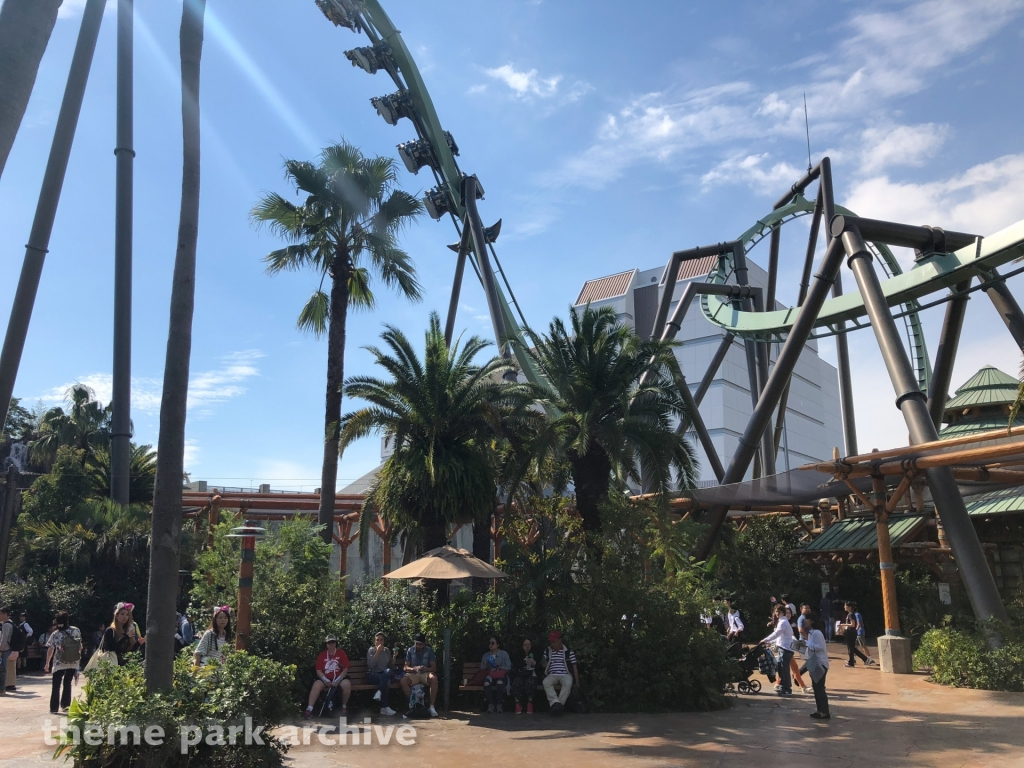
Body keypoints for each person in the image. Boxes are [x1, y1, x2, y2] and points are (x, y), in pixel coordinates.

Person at [304, 635, 351, 719]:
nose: (331, 644)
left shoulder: (341, 653)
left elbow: (345, 668)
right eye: (329, 642)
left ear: (336, 643)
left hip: (338, 678)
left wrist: (337, 680)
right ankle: (309, 709)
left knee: (346, 684)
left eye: (333, 642)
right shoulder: (322, 655)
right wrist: (325, 680)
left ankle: (344, 707)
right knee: (316, 684)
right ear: (326, 644)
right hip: (325, 679)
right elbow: (318, 670)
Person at [44, 611, 82, 714]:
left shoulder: (55, 634)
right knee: (67, 682)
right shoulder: (76, 630)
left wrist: (47, 663)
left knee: (56, 685)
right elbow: (79, 647)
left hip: (59, 662)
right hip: (72, 661)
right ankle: (65, 705)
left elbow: (51, 648)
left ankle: (54, 708)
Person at [795, 615, 830, 719]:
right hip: (815, 663)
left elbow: (820, 647)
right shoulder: (811, 633)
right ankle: (820, 711)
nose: (805, 621)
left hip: (820, 664)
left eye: (808, 619)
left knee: (819, 689)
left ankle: (825, 712)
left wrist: (807, 644)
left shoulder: (816, 633)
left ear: (813, 621)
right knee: (816, 688)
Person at [401, 633, 438, 718]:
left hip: (425, 673)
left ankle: (432, 706)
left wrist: (426, 669)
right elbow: (405, 667)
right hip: (413, 673)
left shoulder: (429, 651)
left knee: (434, 678)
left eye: (420, 644)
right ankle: (413, 704)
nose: (418, 646)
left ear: (424, 644)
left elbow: (434, 668)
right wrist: (412, 669)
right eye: (417, 643)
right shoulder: (410, 650)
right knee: (403, 681)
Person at [762, 604, 795, 696]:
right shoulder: (782, 621)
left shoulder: (783, 622)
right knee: (781, 667)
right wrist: (769, 641)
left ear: (782, 612)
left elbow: (776, 634)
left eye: (778, 612)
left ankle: (787, 688)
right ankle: (783, 686)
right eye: (776, 611)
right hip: (783, 647)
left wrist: (765, 640)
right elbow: (778, 636)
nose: (777, 613)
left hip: (786, 648)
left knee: (784, 669)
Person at [542, 631, 577, 713]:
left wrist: (577, 682)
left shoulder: (568, 651)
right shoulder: (547, 651)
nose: (552, 644)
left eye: (553, 641)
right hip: (552, 674)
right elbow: (544, 663)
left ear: (559, 640)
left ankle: (558, 706)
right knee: (546, 682)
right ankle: (556, 703)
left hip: (565, 674)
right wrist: (543, 662)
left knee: (568, 682)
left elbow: (574, 666)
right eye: (550, 642)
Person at [366, 632, 396, 716]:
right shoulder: (371, 650)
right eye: (377, 640)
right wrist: (378, 652)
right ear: (375, 641)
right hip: (373, 674)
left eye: (381, 640)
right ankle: (385, 707)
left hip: (384, 674)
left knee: (388, 671)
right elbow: (371, 665)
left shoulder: (387, 651)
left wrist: (394, 657)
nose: (379, 642)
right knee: (386, 681)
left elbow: (391, 666)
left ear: (384, 641)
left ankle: (379, 691)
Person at [481, 636, 512, 713]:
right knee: (486, 683)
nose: (490, 645)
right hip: (491, 675)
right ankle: (491, 704)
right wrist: (487, 662)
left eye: (493, 643)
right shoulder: (486, 655)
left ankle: (499, 705)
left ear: (497, 645)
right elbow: (482, 667)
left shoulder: (504, 654)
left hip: (501, 675)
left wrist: (500, 666)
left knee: (500, 683)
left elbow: (509, 667)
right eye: (489, 643)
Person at [841, 601, 875, 667]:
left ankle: (855, 661)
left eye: (845, 606)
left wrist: (843, 625)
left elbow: (853, 624)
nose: (844, 607)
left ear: (849, 607)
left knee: (852, 648)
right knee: (852, 648)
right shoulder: (851, 614)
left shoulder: (850, 614)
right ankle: (857, 660)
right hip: (851, 632)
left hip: (851, 633)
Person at [511, 637, 538, 715]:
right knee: (516, 682)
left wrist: (535, 663)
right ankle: (517, 703)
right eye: (525, 645)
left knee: (530, 682)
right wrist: (524, 662)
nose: (527, 646)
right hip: (520, 674)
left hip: (531, 674)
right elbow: (515, 666)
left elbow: (540, 667)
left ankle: (530, 703)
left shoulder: (535, 653)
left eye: (529, 644)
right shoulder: (517, 655)